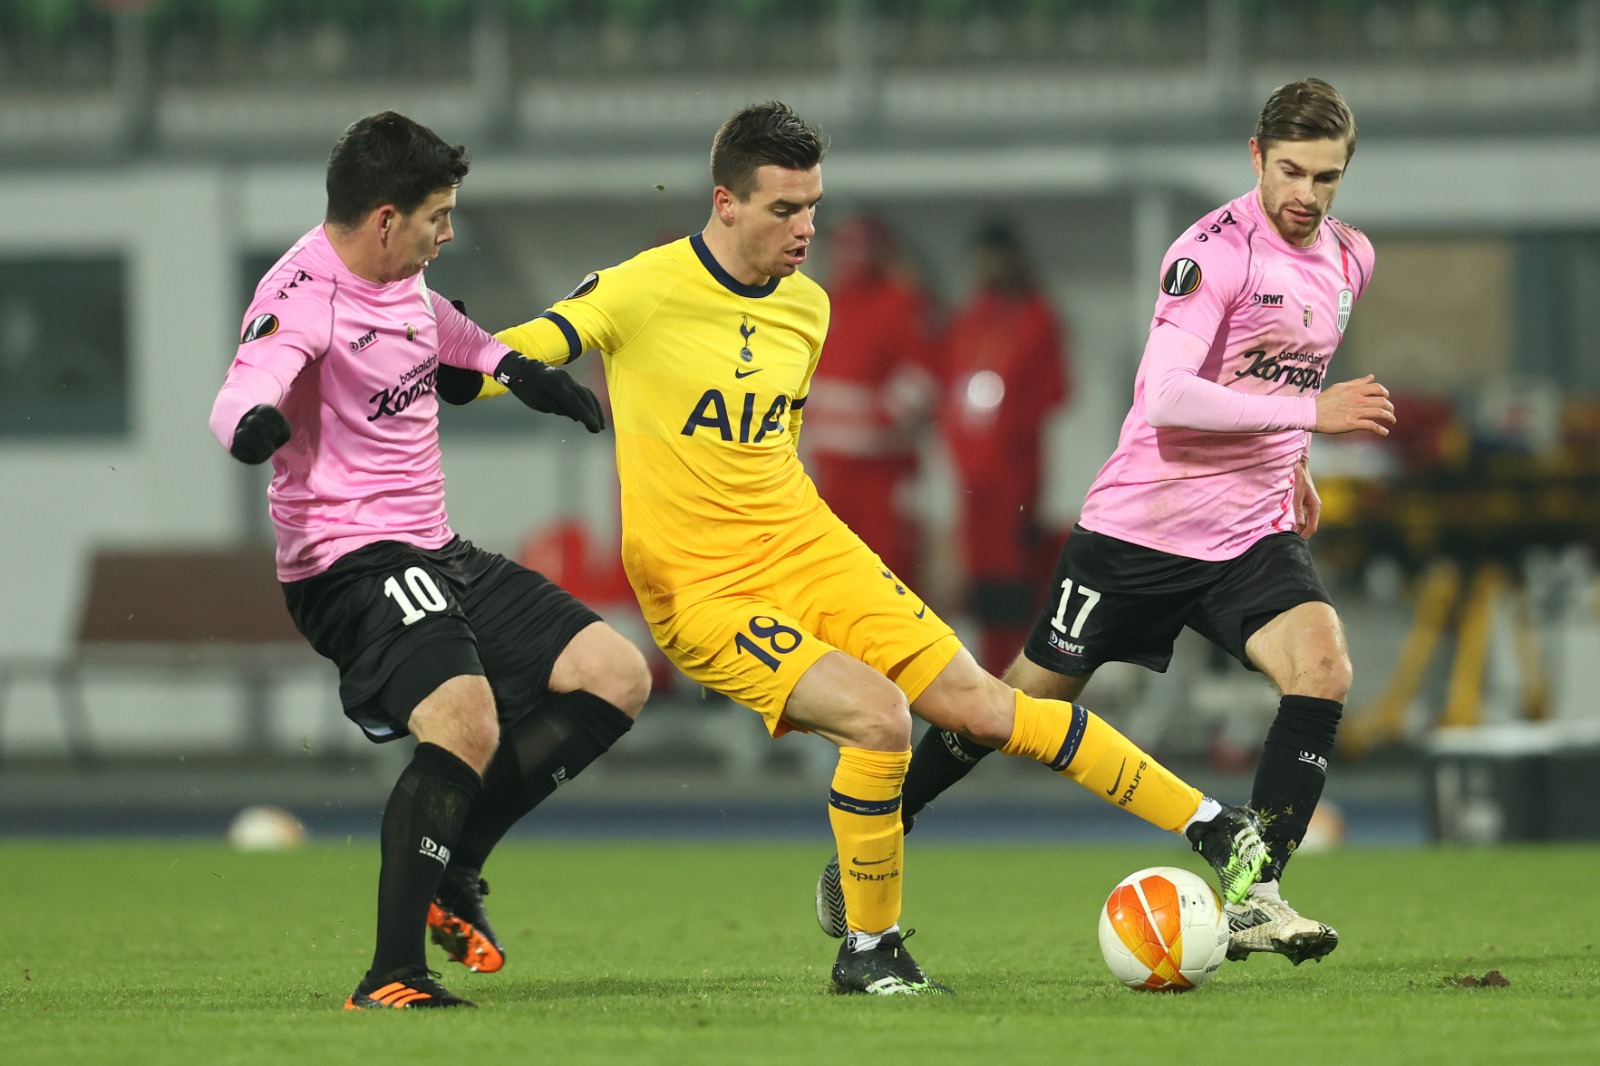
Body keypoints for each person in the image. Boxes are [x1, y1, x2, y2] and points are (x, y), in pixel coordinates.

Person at [442, 100, 1268, 997]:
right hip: (703, 587)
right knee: (879, 718)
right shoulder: (643, 288)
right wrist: (460, 359)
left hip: (809, 546)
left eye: (813, 208)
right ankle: (868, 948)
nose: (806, 230)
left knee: (983, 708)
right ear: (725, 203)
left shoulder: (808, 306)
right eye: (783, 210)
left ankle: (1211, 823)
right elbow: (522, 349)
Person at [872, 78, 1393, 967]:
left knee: (1324, 667)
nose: (1308, 196)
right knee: (1008, 712)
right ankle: (881, 832)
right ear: (1258, 160)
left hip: (1248, 533)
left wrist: (1294, 464)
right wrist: (1311, 424)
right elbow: (1165, 396)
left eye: (1329, 178)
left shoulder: (1351, 258)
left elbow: (1281, 373)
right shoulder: (1213, 251)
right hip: (1140, 531)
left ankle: (1256, 897)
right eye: (1293, 172)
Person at [208, 112, 652, 1010]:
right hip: (348, 561)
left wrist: (516, 369)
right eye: (437, 217)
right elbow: (248, 379)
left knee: (615, 674)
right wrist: (251, 425)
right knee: (463, 718)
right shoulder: (304, 293)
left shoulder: (400, 277)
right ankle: (392, 975)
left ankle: (454, 864)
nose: (448, 235)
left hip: (433, 547)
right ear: (383, 218)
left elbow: (447, 332)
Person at [937, 221, 1071, 671]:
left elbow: (1055, 392)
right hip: (972, 478)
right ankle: (988, 675)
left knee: (1015, 579)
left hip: (1016, 475)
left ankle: (1017, 677)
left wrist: (1011, 431)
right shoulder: (970, 318)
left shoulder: (1036, 317)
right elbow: (950, 387)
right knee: (981, 581)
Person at [803, 211, 938, 585]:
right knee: (833, 575)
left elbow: (922, 377)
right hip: (829, 473)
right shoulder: (825, 304)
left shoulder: (902, 304)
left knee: (888, 572)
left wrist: (878, 421)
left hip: (883, 474)